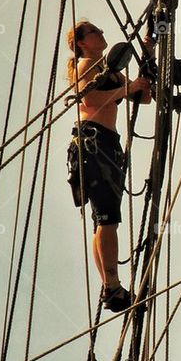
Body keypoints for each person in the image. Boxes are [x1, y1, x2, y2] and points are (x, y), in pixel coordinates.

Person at [65, 21, 151, 313]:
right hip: (93, 142)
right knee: (107, 219)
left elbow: (144, 98)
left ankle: (109, 284)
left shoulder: (110, 71)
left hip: (107, 145)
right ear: (81, 43)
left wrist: (148, 57)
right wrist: (126, 90)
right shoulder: (85, 65)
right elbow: (91, 99)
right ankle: (112, 285)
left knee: (103, 219)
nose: (101, 34)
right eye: (93, 32)